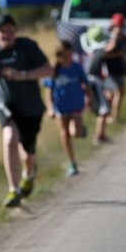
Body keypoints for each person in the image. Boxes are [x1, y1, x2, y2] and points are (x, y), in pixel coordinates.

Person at [0, 14, 52, 207]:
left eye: (10, 31)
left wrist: (23, 75)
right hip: (5, 104)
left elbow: (48, 69)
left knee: (28, 154)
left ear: (15, 31)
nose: (6, 35)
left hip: (31, 107)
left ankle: (29, 173)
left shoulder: (27, 47)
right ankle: (13, 190)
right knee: (9, 138)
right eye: (2, 31)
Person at [45, 41, 91, 176]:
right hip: (61, 106)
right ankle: (72, 162)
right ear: (59, 55)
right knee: (64, 133)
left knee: (75, 132)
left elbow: (85, 84)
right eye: (64, 55)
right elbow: (49, 91)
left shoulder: (77, 67)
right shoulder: (54, 70)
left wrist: (90, 98)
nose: (68, 57)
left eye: (70, 54)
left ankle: (80, 129)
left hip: (76, 104)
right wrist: (50, 108)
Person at [103, 13, 126, 124]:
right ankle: (114, 117)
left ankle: (109, 116)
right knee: (118, 93)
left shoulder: (122, 36)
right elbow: (105, 53)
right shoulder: (111, 36)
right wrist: (119, 53)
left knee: (112, 94)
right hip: (111, 69)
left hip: (119, 68)